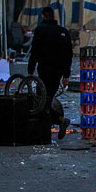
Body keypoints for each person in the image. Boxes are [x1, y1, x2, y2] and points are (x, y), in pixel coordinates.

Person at [27, 7, 72, 139]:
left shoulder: (40, 31)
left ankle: (57, 122)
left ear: (43, 16)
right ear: (53, 16)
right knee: (48, 98)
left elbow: (34, 52)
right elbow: (68, 55)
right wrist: (66, 75)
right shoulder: (63, 32)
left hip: (44, 70)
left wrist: (30, 71)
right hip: (57, 71)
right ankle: (53, 123)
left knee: (42, 100)